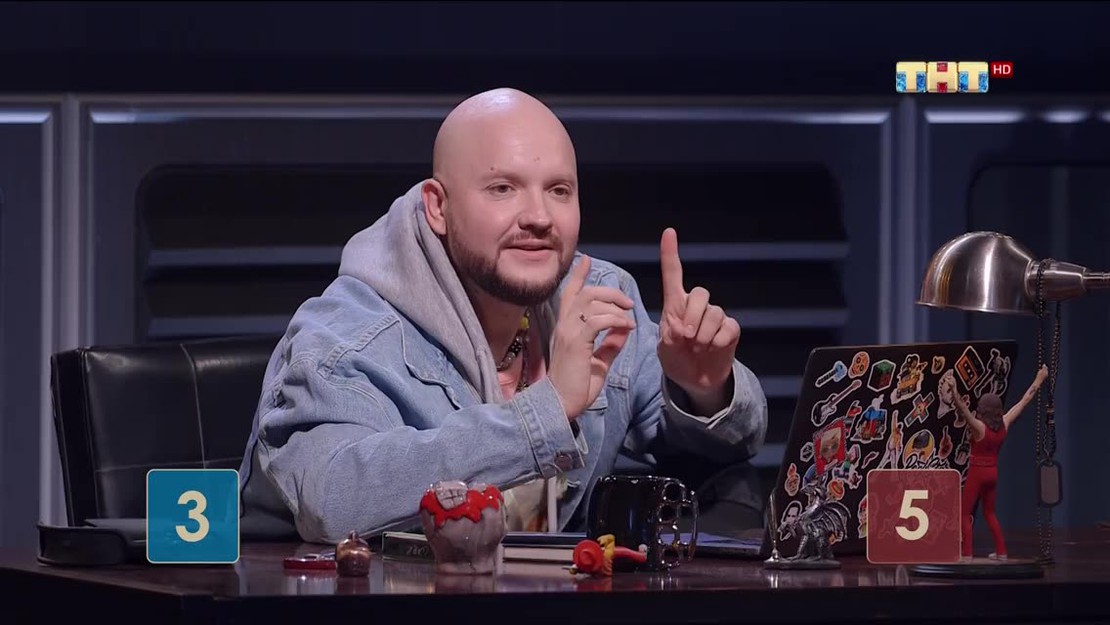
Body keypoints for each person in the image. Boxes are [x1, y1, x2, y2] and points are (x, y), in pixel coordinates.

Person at [236, 87, 768, 544]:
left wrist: (703, 391)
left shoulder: (598, 301)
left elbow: (729, 447)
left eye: (559, 191)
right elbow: (333, 500)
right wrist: (547, 411)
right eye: (502, 189)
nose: (538, 217)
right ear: (438, 207)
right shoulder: (346, 337)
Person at [954, 365, 1048, 560]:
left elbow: (963, 410)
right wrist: (1039, 379)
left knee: (964, 514)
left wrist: (954, 390)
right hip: (993, 473)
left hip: (977, 473)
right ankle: (1001, 552)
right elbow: (1024, 401)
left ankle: (967, 554)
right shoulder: (1004, 422)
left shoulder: (979, 428)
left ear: (982, 410)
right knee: (990, 513)